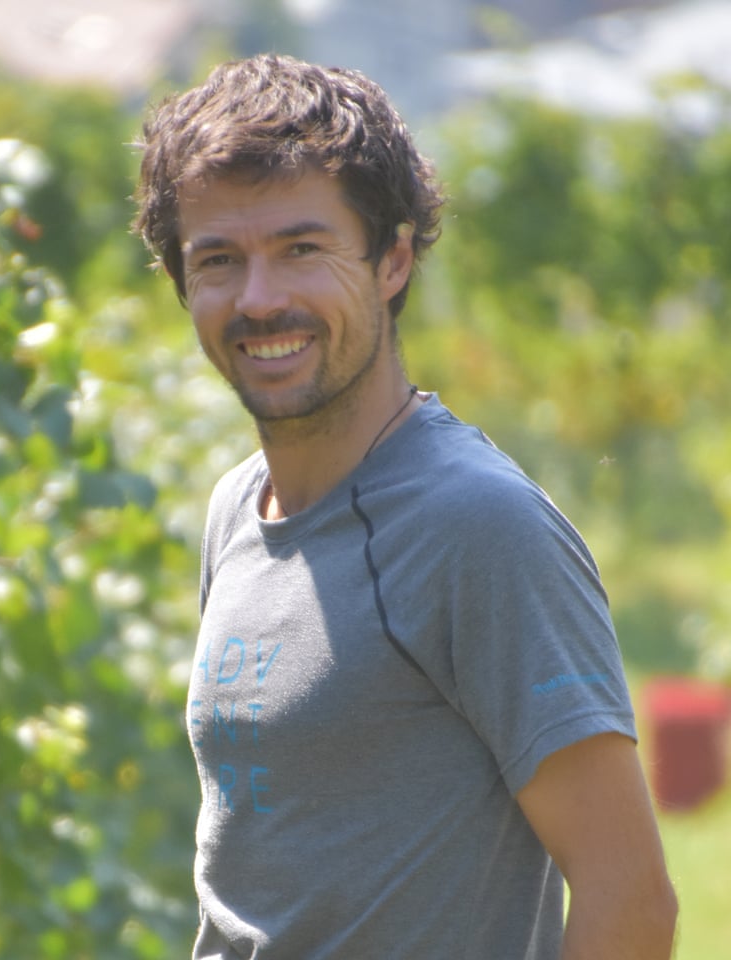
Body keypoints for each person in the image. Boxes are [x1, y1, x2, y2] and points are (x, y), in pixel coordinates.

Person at [133, 54, 677, 959]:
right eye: (220, 261)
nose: (260, 299)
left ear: (391, 258)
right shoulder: (239, 509)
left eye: (301, 249)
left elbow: (632, 901)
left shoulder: (477, 528)